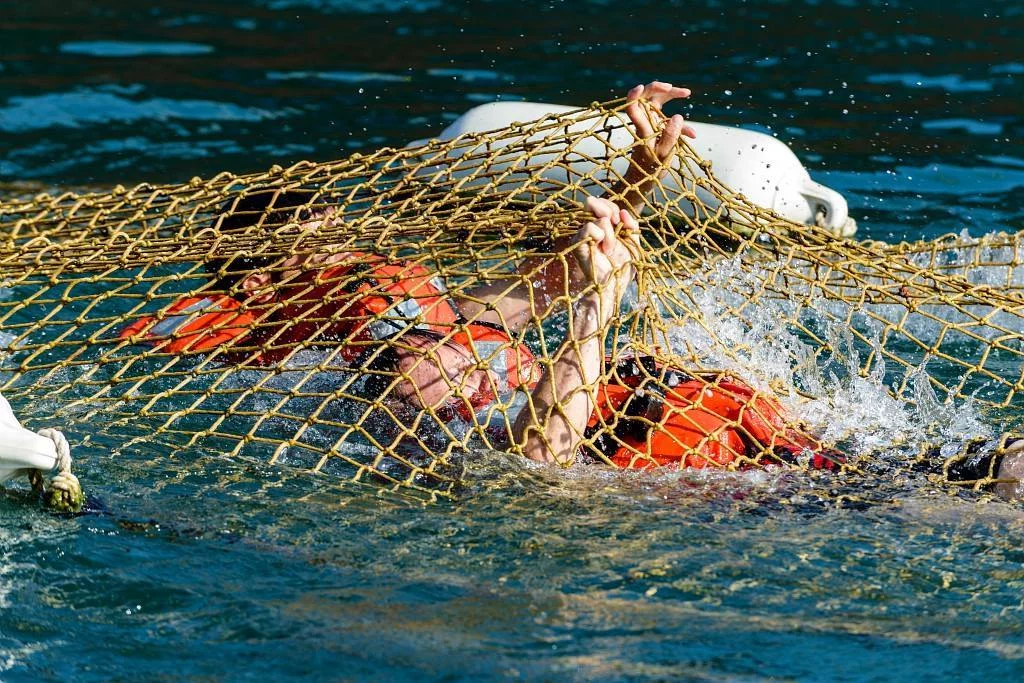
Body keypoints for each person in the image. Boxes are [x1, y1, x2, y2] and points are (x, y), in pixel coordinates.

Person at [118, 83, 1024, 499]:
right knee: (956, 487)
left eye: (347, 246)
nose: (357, 262)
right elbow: (543, 461)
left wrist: (636, 174)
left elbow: (564, 272)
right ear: (270, 293)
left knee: (971, 468)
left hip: (703, 420)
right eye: (317, 258)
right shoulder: (379, 396)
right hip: (704, 477)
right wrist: (597, 302)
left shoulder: (444, 322)